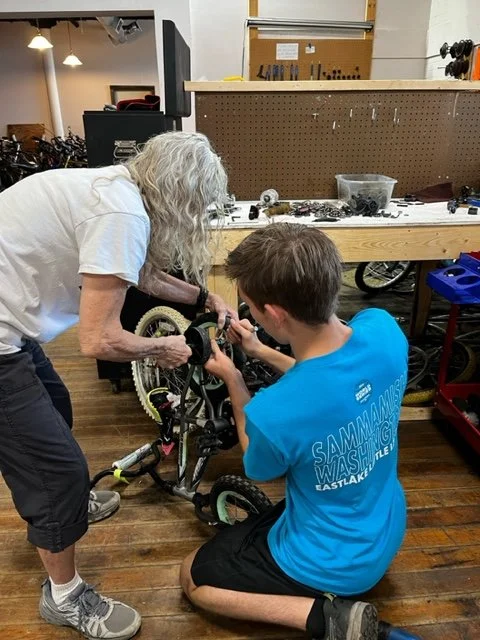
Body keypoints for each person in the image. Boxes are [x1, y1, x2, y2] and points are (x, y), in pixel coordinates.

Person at [0, 132, 235, 639]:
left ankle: (62, 510)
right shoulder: (122, 214)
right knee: (55, 469)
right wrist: (161, 348)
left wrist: (205, 299)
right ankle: (64, 596)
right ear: (180, 196)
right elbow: (98, 340)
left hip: (11, 328)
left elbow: (143, 274)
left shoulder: (117, 188)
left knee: (56, 407)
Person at [180, 224, 409, 640]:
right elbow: (330, 382)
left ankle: (327, 618)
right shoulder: (384, 331)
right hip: (386, 529)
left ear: (275, 315)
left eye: (250, 306)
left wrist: (234, 379)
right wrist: (261, 350)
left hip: (329, 563)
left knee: (195, 577)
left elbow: (258, 465)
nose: (249, 313)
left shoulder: (275, 411)